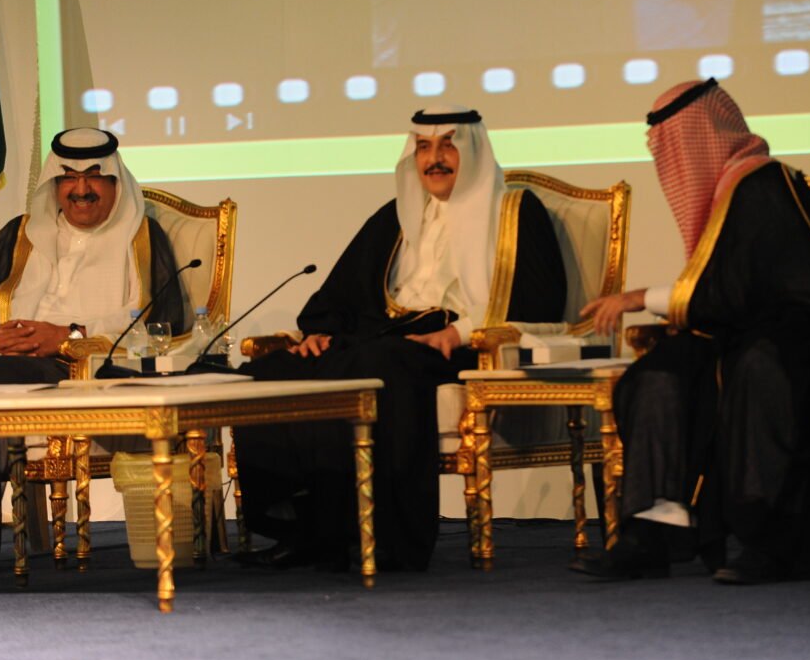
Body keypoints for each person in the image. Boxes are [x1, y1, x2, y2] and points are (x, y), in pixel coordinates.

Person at [572, 79, 810, 584]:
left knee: (757, 367)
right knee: (657, 374)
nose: (671, 160)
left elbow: (738, 290)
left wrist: (640, 298)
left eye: (676, 143)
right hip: (747, 329)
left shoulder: (762, 183)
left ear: (702, 135)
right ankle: (650, 533)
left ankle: (773, 544)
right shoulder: (727, 194)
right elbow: (728, 295)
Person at [235, 106, 567, 571]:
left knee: (380, 365)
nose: (435, 159)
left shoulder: (515, 212)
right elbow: (344, 292)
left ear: (472, 150)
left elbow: (539, 300)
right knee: (271, 371)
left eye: (448, 145)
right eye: (424, 147)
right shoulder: (396, 216)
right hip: (385, 338)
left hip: (461, 346)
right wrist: (321, 333)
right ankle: (303, 529)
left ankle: (388, 540)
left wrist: (457, 332)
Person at [0, 128, 184, 581]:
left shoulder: (142, 238)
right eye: (68, 177)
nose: (81, 189)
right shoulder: (22, 234)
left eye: (94, 177)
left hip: (73, 369)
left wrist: (68, 336)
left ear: (115, 182)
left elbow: (164, 322)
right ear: (55, 183)